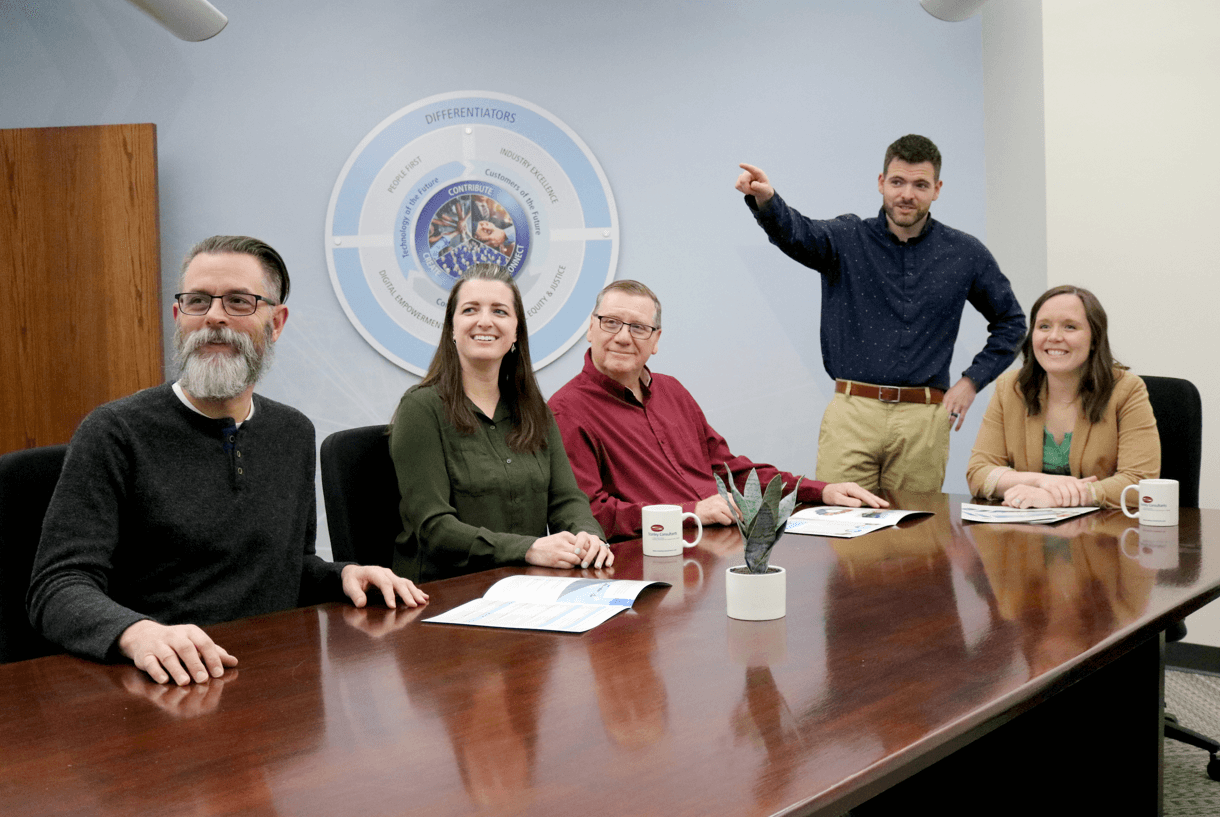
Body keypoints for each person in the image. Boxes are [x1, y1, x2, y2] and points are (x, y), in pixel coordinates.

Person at [27, 235, 428, 686]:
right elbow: (56, 588)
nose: (214, 316)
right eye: (197, 301)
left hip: (268, 680)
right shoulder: (113, 432)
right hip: (160, 689)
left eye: (239, 301)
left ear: (275, 323)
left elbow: (283, 567)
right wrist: (136, 633)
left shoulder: (293, 432)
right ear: (179, 318)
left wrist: (345, 575)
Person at [735, 134, 1026, 492]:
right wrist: (766, 200)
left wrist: (971, 382)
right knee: (843, 529)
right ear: (881, 183)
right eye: (898, 182)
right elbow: (798, 234)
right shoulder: (846, 238)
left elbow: (1012, 323)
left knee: (915, 538)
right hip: (853, 414)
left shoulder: (965, 253)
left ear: (937, 189)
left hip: (923, 420)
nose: (907, 194)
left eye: (920, 184)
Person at [548, 280, 886, 541]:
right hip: (655, 555)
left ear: (656, 341)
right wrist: (691, 512)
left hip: (723, 540)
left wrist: (819, 490)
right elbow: (593, 515)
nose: (623, 337)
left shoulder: (672, 390)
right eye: (611, 323)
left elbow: (730, 472)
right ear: (591, 328)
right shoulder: (567, 411)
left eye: (638, 328)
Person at [389, 263, 612, 583]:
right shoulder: (421, 409)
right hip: (444, 593)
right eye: (470, 310)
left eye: (499, 311)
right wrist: (529, 549)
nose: (485, 321)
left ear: (516, 331)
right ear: (451, 328)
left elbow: (567, 500)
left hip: (528, 588)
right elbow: (434, 528)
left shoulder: (534, 410)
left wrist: (589, 536)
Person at [965, 285, 1159, 508]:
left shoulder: (1127, 390)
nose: (1054, 337)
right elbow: (979, 472)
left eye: (1070, 327)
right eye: (1044, 326)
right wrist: (1043, 481)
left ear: (1094, 338)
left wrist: (1058, 497)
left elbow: (1140, 482)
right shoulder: (1011, 388)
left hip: (1102, 535)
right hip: (1025, 536)